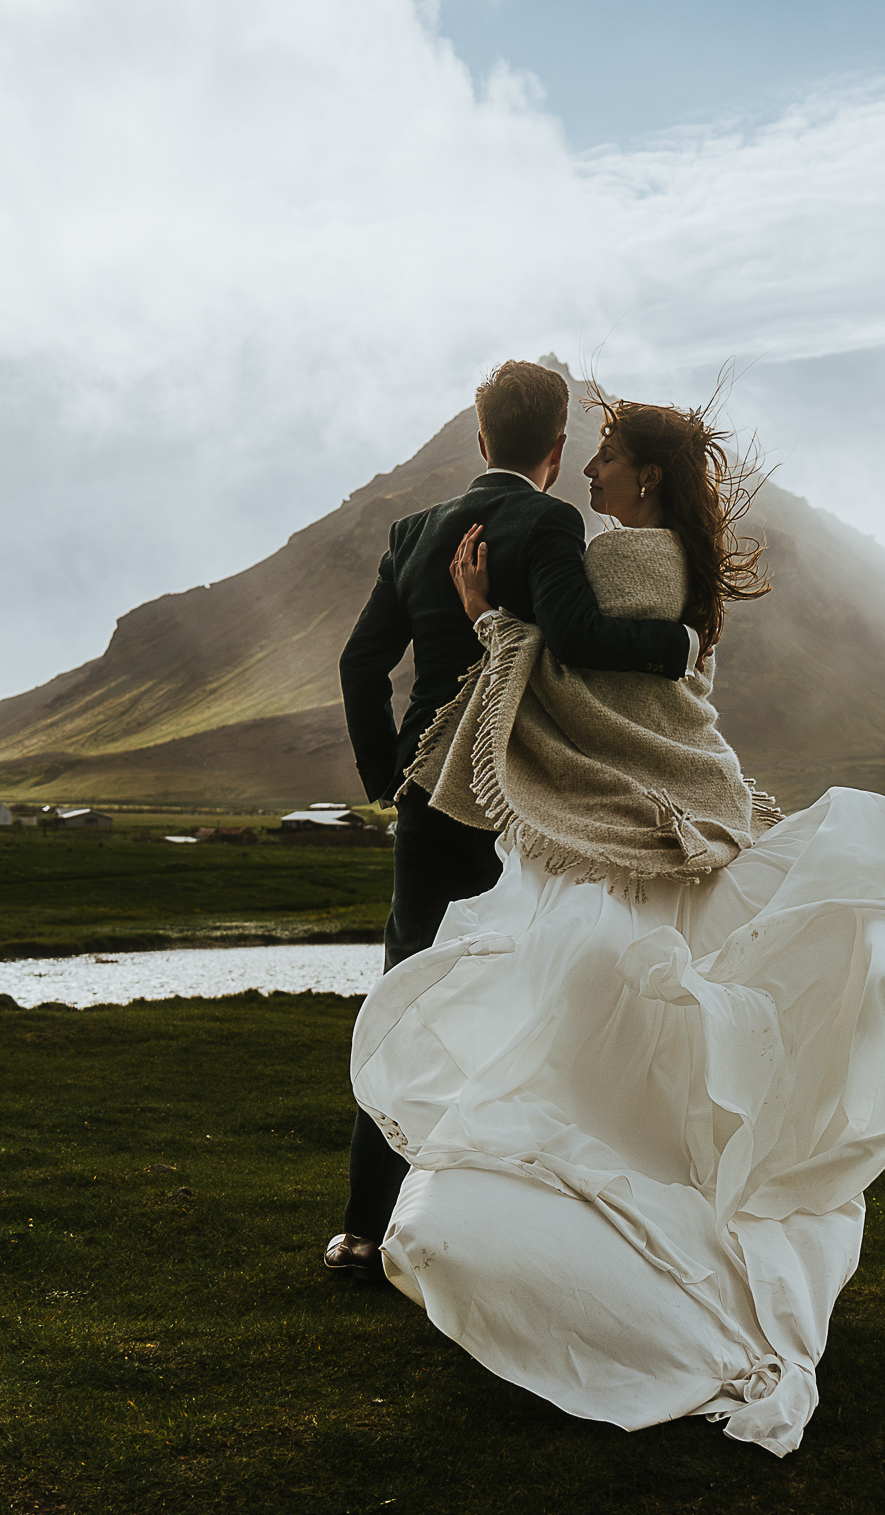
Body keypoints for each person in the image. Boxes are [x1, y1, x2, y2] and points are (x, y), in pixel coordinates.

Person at [348, 392, 885, 1456]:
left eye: (611, 458)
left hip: (620, 840)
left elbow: (577, 683)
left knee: (582, 1059)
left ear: (647, 477)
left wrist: (490, 617)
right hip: (666, 827)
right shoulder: (670, 561)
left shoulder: (625, 562)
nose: (589, 473)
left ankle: (635, 1295)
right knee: (635, 1070)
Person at [332, 360, 698, 1282]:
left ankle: (363, 1228)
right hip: (517, 799)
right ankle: (517, 1223)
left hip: (427, 794)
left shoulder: (415, 531)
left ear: (482, 436)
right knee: (533, 997)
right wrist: (680, 645)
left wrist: (391, 775)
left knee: (409, 988)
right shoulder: (549, 522)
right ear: (557, 447)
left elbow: (358, 663)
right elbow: (574, 638)